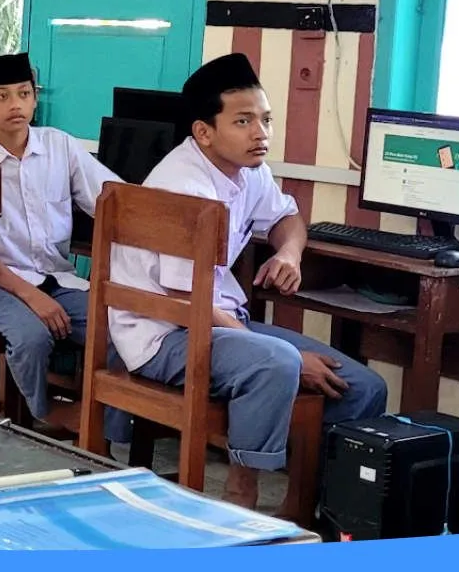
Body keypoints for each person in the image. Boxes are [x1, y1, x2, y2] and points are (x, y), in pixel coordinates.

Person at [107, 52, 388, 514]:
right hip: (165, 334)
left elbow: (288, 216)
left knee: (363, 386)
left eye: (266, 119)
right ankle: (241, 496)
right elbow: (185, 302)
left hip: (220, 323)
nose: (260, 133)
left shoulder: (250, 169)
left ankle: (317, 507)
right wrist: (297, 359)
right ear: (203, 131)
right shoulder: (183, 187)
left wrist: (289, 252)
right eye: (243, 121)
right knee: (277, 361)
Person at [0, 53, 128, 439]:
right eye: (1, 96)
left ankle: (102, 434)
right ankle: (45, 414)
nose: (15, 105)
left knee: (121, 326)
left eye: (23, 94)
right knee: (32, 336)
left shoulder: (60, 147)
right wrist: (33, 296)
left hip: (55, 280)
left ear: (34, 99)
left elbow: (114, 201)